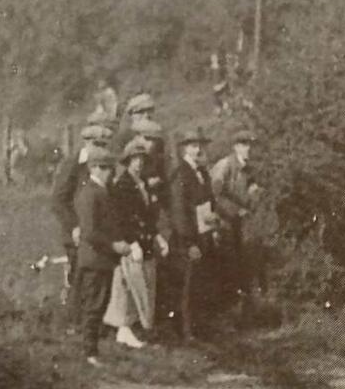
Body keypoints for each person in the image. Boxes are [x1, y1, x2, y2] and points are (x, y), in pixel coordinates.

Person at [104, 138, 167, 348]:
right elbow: (120, 219)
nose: (138, 163)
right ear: (127, 161)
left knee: (139, 285)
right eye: (134, 159)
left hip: (145, 241)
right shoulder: (122, 185)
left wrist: (158, 236)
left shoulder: (142, 184)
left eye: (142, 159)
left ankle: (130, 329)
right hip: (132, 243)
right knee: (131, 284)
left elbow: (148, 217)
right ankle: (130, 329)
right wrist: (132, 243)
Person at [74, 146, 131, 367]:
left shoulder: (100, 191)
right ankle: (89, 352)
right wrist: (114, 245)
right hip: (94, 258)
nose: (111, 173)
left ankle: (91, 350)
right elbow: (89, 232)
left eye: (111, 168)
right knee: (94, 305)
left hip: (101, 258)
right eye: (106, 168)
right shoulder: (90, 193)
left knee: (99, 304)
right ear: (94, 168)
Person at [52, 122, 113, 321]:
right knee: (78, 276)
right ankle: (74, 323)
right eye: (97, 143)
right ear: (86, 142)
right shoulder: (73, 164)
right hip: (77, 232)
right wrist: (73, 226)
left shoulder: (102, 165)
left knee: (94, 279)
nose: (102, 148)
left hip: (95, 231)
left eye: (105, 144)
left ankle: (91, 323)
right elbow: (58, 200)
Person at [166, 128, 215, 341]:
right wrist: (189, 242)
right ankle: (185, 331)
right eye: (193, 146)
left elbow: (208, 201)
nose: (198, 150)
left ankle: (197, 326)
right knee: (186, 284)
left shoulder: (202, 173)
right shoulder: (181, 174)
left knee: (199, 282)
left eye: (200, 146)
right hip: (186, 239)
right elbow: (179, 213)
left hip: (204, 233)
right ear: (185, 148)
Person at [210, 129, 262, 316]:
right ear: (235, 147)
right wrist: (235, 210)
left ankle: (240, 310)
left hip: (238, 223)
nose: (248, 149)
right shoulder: (224, 166)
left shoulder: (249, 169)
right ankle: (223, 311)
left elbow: (251, 194)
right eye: (243, 144)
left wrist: (254, 197)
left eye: (250, 145)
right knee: (224, 261)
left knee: (242, 261)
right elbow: (215, 195)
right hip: (220, 220)